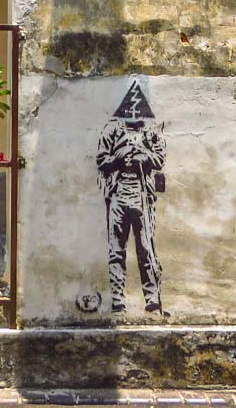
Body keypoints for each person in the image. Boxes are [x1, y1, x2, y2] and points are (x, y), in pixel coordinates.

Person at [96, 81, 166, 315]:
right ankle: (117, 301)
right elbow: (101, 161)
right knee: (116, 250)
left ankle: (152, 300)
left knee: (146, 249)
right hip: (118, 195)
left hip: (142, 195)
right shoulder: (112, 130)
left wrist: (142, 156)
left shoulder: (151, 131)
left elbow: (159, 159)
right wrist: (120, 156)